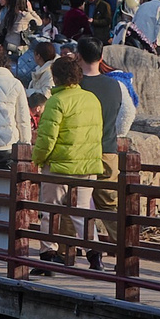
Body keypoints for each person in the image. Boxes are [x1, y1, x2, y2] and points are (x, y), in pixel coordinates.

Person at [31, 55, 106, 266]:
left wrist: (38, 159)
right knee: (82, 211)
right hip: (87, 165)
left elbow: (47, 138)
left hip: (59, 166)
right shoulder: (92, 99)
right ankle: (94, 254)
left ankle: (48, 256)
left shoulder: (56, 101)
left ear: (55, 78)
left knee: (50, 211)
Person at [74, 39, 136, 269]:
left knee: (75, 201)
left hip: (79, 152)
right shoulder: (116, 85)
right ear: (101, 57)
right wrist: (115, 133)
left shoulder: (75, 85)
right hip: (108, 149)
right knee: (110, 204)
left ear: (78, 56)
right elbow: (128, 113)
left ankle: (68, 250)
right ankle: (126, 254)